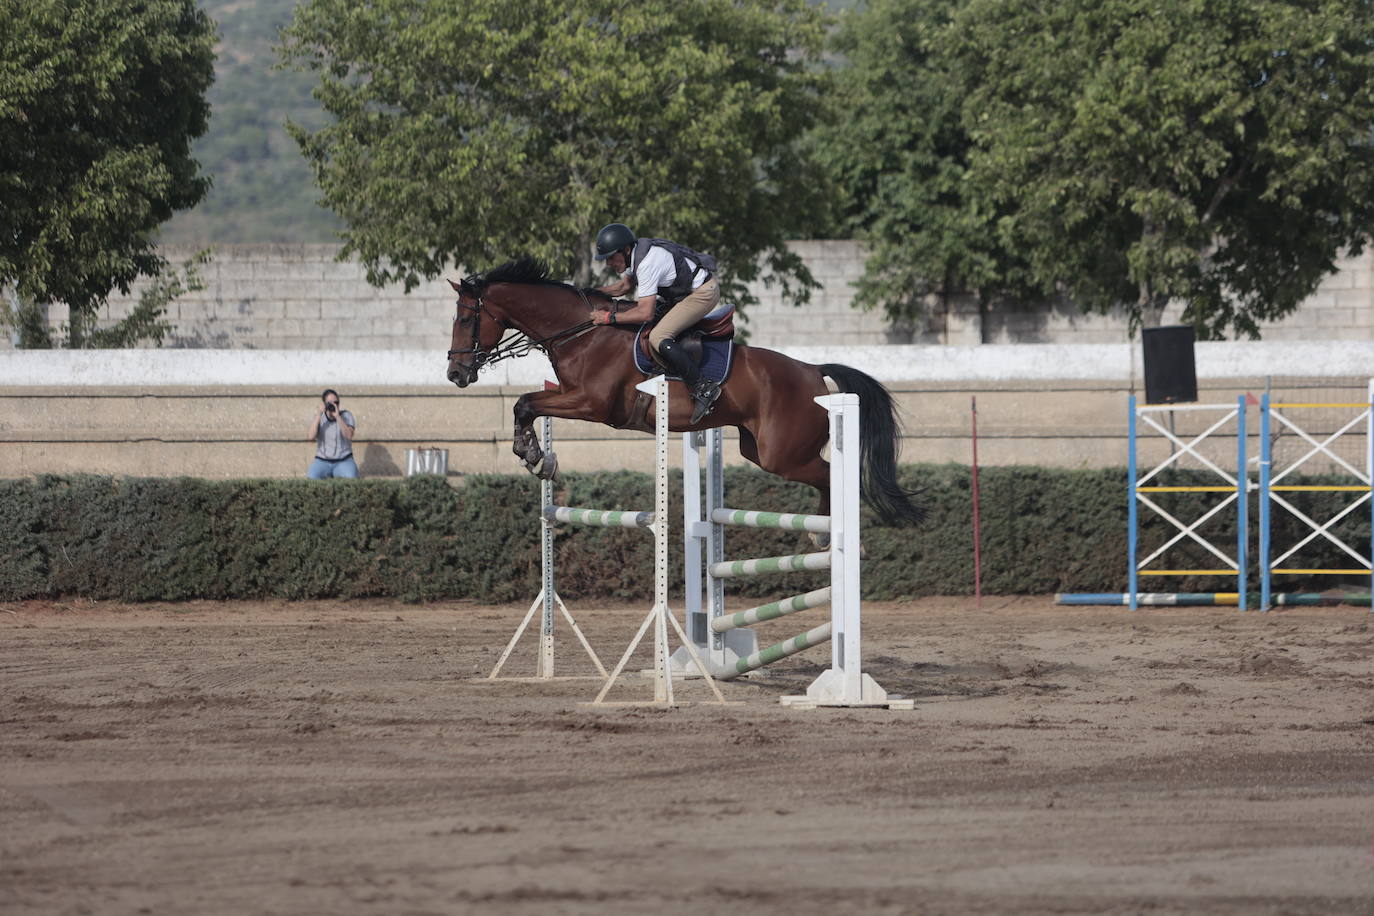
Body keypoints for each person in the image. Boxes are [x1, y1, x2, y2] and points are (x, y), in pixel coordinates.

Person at [590, 223, 722, 423]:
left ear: (625, 250)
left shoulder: (646, 264)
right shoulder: (634, 256)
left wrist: (608, 318)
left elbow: (645, 313)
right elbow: (623, 287)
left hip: (703, 293)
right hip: (683, 294)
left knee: (658, 336)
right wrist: (591, 292)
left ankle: (703, 387)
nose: (608, 263)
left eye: (610, 257)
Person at [306, 389, 358, 478]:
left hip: (344, 459)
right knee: (311, 477)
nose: (333, 405)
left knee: (351, 478)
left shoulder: (346, 416)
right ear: (324, 404)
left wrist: (337, 416)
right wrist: (319, 414)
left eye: (336, 402)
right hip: (322, 460)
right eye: (330, 403)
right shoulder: (319, 417)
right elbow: (310, 436)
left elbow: (349, 435)